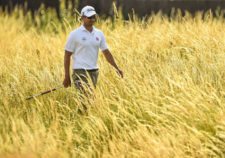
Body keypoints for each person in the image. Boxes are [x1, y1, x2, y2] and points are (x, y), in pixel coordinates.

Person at [63, 5, 123, 92]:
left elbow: (106, 53)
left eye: (94, 17)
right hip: (80, 71)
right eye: (89, 17)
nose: (92, 19)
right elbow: (67, 55)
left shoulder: (99, 34)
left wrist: (117, 68)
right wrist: (67, 76)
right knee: (86, 97)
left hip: (94, 71)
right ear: (82, 17)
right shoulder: (74, 34)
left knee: (90, 101)